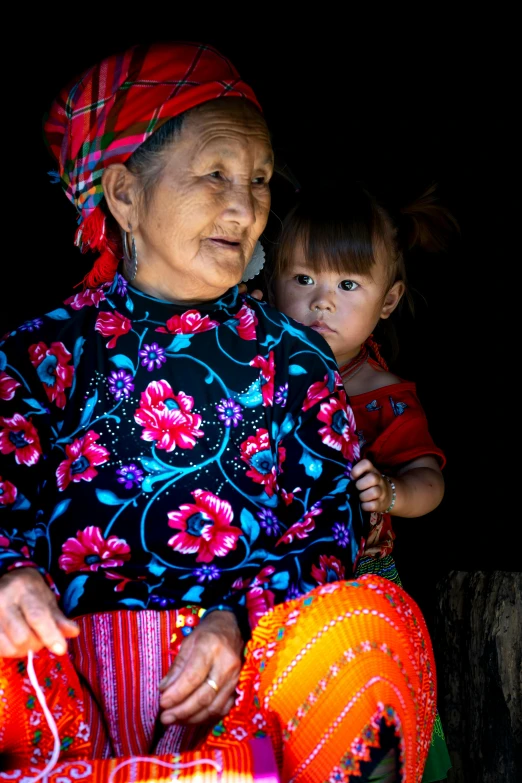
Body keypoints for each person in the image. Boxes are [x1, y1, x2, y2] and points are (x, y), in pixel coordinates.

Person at [0, 42, 436, 782]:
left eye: (260, 180)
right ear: (125, 195)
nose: (246, 208)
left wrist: (235, 620)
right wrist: (9, 577)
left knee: (366, 626)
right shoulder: (38, 354)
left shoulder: (295, 360)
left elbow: (329, 526)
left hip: (243, 706)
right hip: (54, 705)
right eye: (215, 175)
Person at [258, 181, 457, 781]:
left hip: (358, 582)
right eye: (303, 280)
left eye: (348, 286)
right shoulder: (252, 368)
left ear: (388, 299)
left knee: (364, 723)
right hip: (266, 580)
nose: (322, 303)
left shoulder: (381, 396)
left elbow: (430, 479)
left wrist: (391, 494)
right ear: (271, 281)